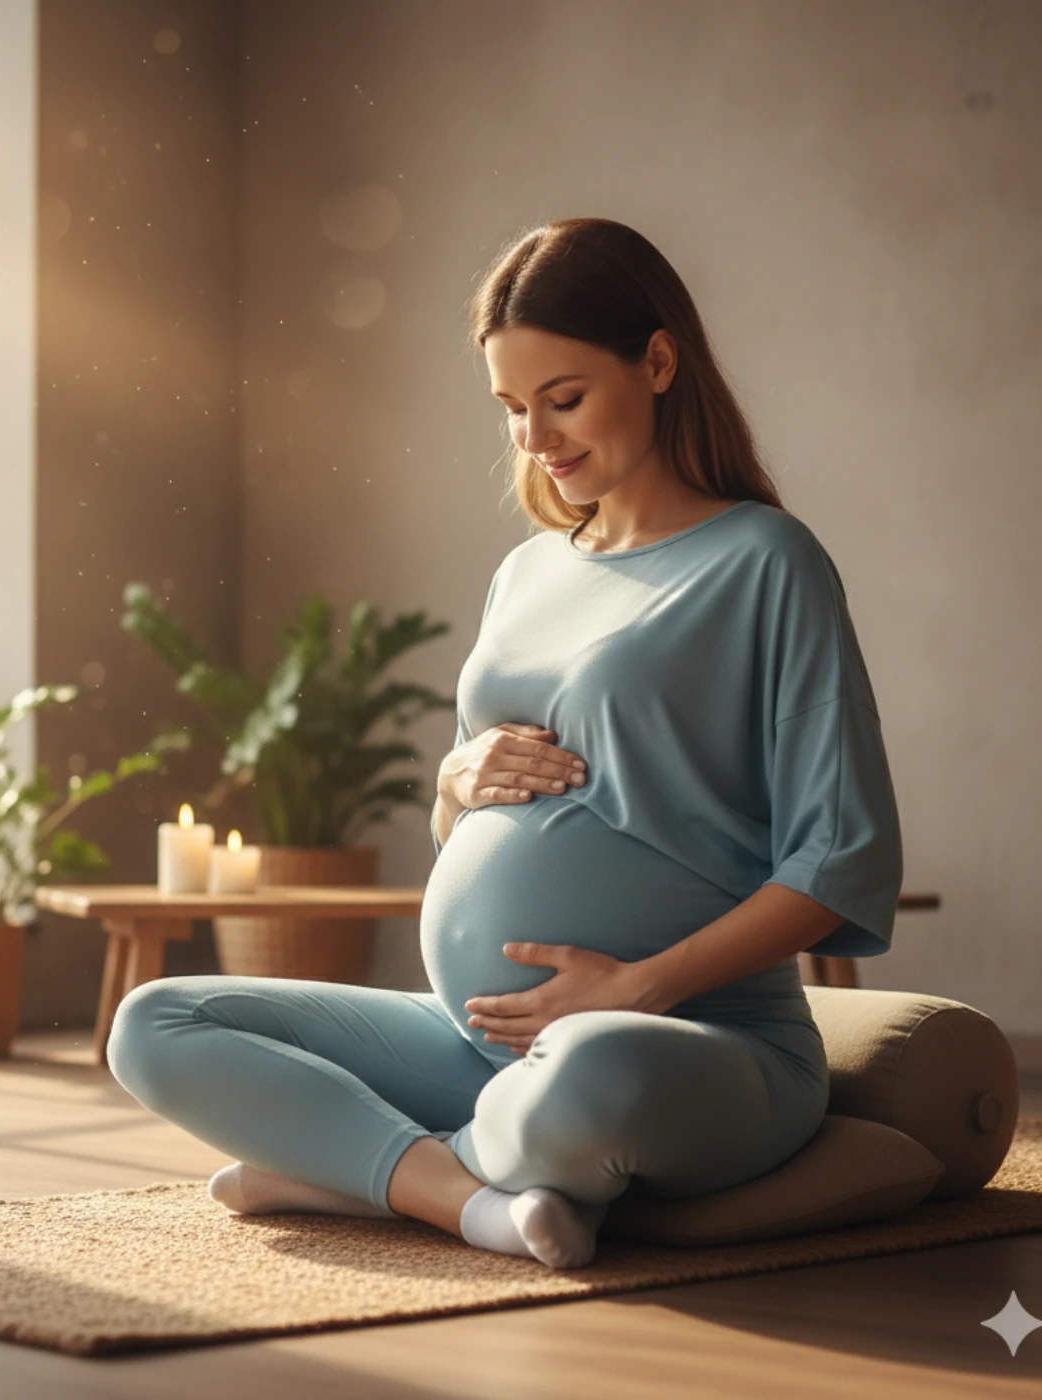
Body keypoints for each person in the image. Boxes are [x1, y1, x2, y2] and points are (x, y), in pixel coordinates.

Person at [106, 217, 903, 1271]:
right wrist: (451, 781)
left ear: (657, 361)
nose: (534, 439)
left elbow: (840, 858)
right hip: (472, 1037)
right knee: (156, 1021)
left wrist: (634, 986)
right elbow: (468, 825)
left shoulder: (764, 562)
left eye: (561, 398)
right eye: (511, 409)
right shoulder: (525, 571)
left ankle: (355, 1171)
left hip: (686, 1041)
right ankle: (459, 1193)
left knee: (579, 1078)